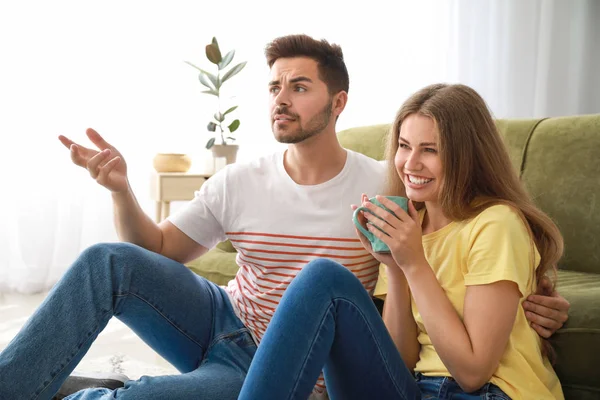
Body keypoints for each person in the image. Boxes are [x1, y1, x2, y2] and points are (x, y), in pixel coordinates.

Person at [0, 36, 568, 400]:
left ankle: (103, 391)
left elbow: (484, 243)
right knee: (109, 260)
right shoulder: (241, 179)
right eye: (274, 87)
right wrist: (122, 192)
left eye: (299, 86)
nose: (281, 99)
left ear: (337, 102)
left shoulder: (387, 189)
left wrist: (536, 297)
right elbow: (158, 251)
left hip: (295, 364)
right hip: (225, 328)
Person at [237, 83, 566, 400]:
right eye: (404, 146)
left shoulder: (496, 223)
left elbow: (472, 373)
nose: (410, 163)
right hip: (418, 389)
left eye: (430, 150)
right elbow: (402, 360)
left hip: (490, 393)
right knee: (324, 277)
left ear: (467, 156)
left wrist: (414, 263)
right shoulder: (409, 226)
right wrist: (394, 268)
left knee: (323, 277)